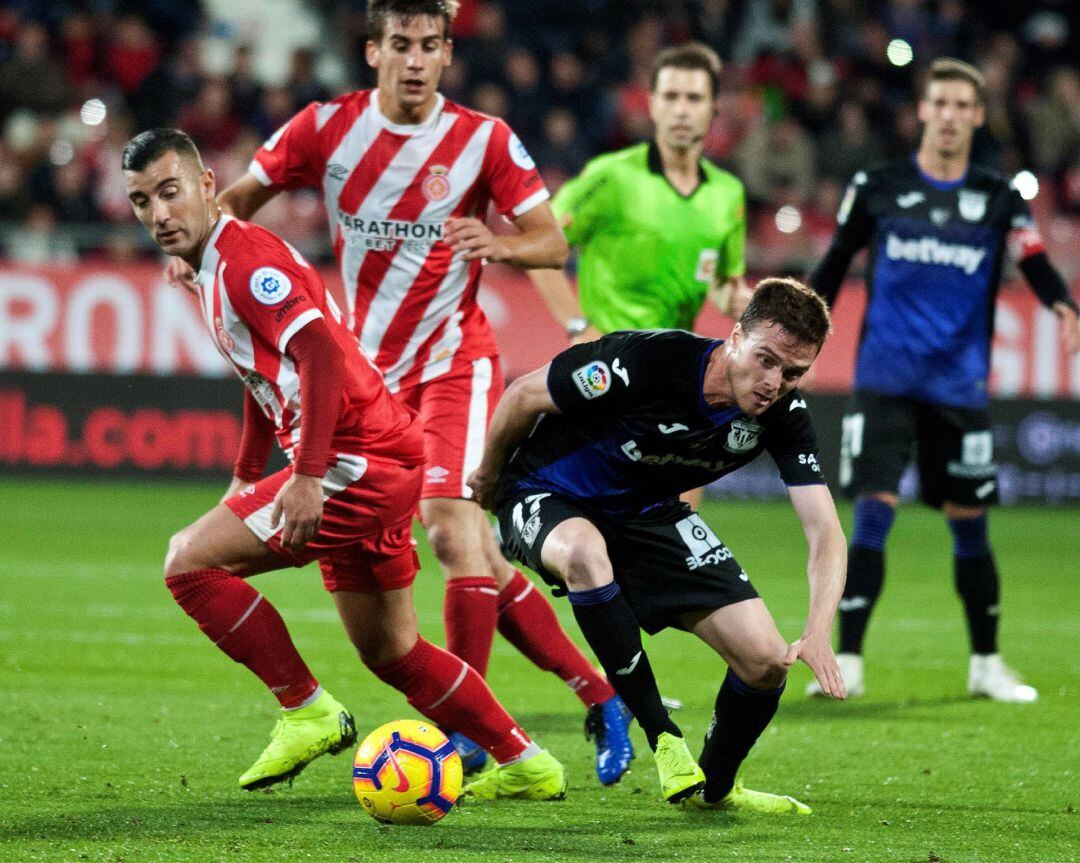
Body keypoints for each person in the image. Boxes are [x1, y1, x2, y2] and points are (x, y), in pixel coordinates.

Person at [165, 0, 633, 784]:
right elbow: (240, 196)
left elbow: (553, 240)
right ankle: (593, 693)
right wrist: (200, 254)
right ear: (373, 49)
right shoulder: (326, 127)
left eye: (430, 46)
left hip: (455, 360)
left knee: (454, 532)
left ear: (448, 54)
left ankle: (465, 744)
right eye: (401, 45)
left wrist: (503, 244)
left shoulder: (483, 139)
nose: (415, 59)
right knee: (472, 556)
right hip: (368, 375)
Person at [125, 127, 566, 800]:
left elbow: (322, 356)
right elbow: (261, 377)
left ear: (208, 185)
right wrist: (249, 470)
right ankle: (526, 759)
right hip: (380, 456)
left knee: (188, 561)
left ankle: (306, 708)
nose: (159, 214)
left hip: (352, 459)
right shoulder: (214, 268)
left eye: (170, 191)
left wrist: (304, 475)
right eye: (141, 201)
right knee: (392, 650)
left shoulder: (244, 261)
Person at [468, 278, 848, 814]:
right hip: (547, 492)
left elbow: (825, 531)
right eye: (766, 360)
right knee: (582, 552)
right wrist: (488, 476)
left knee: (765, 661)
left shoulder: (783, 416)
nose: (774, 383)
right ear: (735, 336)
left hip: (647, 513)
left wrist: (818, 630)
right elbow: (523, 395)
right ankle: (660, 733)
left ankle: (715, 792)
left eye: (793, 372)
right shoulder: (647, 360)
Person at [807, 58, 1080, 702]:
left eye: (965, 105)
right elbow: (836, 259)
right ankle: (848, 659)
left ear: (978, 115)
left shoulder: (999, 198)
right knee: (872, 514)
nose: (952, 115)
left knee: (969, 522)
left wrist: (1063, 304)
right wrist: (797, 331)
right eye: (942, 104)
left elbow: (1033, 260)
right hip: (884, 379)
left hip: (958, 386)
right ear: (923, 111)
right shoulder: (879, 186)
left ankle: (986, 663)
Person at [527, 42, 751, 509]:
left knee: (678, 521)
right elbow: (537, 246)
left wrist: (746, 305)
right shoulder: (611, 179)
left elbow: (725, 282)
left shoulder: (727, 195)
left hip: (677, 378)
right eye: (670, 97)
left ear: (713, 110)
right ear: (650, 105)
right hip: (608, 369)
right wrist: (575, 326)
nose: (681, 110)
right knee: (597, 527)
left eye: (693, 99)